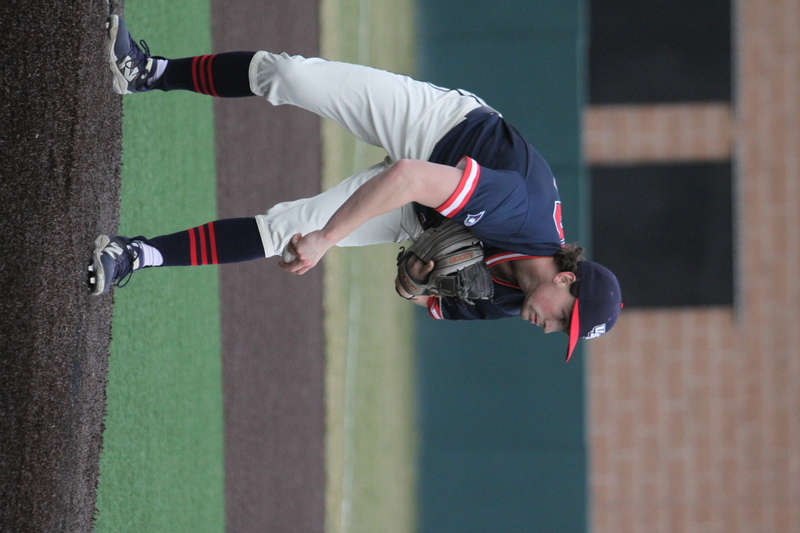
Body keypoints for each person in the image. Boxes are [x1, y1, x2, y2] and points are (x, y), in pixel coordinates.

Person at [91, 15, 622, 361]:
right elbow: (409, 175)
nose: (551, 328)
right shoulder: (522, 211)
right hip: (441, 131)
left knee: (287, 234)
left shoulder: (515, 301)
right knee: (291, 78)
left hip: (426, 215)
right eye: (565, 317)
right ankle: (145, 71)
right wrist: (328, 238)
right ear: (568, 278)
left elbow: (423, 299)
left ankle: (133, 256)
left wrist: (414, 282)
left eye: (563, 332)